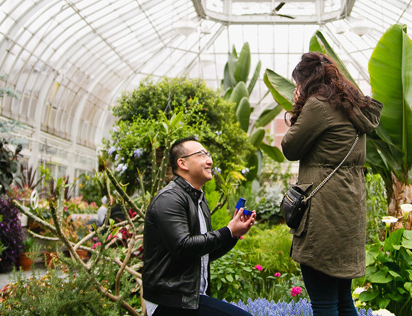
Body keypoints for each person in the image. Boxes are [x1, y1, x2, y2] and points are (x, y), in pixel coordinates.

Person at [281, 52, 383, 316]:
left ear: (308, 81)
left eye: (297, 84)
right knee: (343, 300)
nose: (296, 89)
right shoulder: (352, 108)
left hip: (323, 212)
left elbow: (290, 147)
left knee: (324, 303)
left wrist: (298, 108)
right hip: (348, 207)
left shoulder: (317, 106)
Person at [143, 136, 256, 316]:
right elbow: (183, 246)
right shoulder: (170, 199)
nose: (209, 160)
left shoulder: (198, 200)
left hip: (190, 298)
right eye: (202, 155)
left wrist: (233, 234)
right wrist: (227, 231)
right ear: (183, 163)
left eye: (208, 155)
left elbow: (202, 254)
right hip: (169, 301)